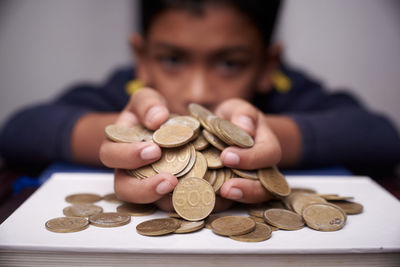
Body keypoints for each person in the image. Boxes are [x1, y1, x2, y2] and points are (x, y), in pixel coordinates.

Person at [0, 0, 399, 210]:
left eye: (230, 62)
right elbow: (20, 130)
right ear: (141, 58)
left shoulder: (287, 90)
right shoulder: (124, 89)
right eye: (172, 59)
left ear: (268, 65)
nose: (198, 91)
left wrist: (261, 139)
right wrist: (135, 141)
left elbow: (378, 136)